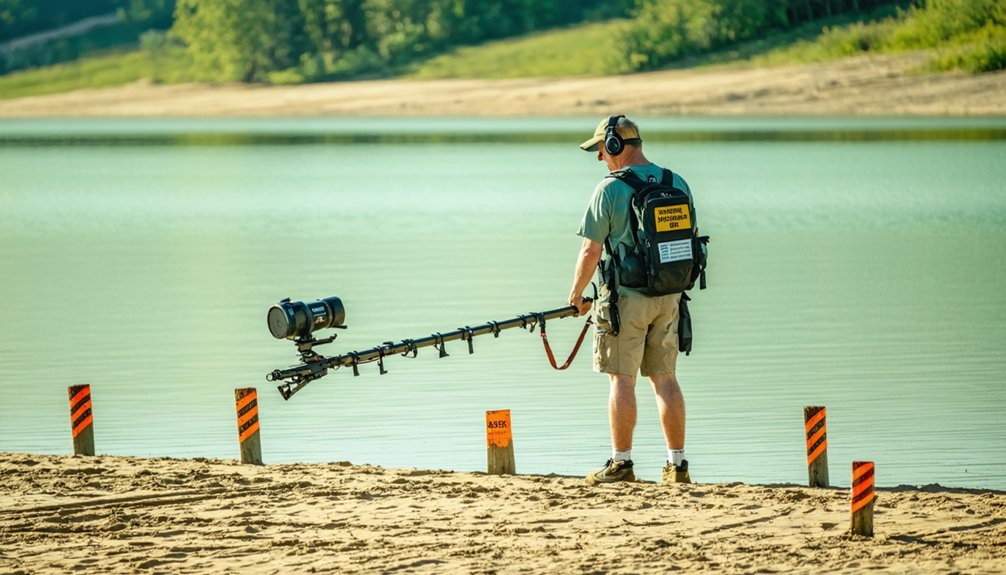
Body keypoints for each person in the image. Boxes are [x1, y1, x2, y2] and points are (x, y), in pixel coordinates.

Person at [568, 115, 694, 485]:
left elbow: (591, 250)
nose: (599, 159)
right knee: (666, 379)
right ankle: (678, 465)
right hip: (670, 296)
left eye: (601, 151)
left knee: (621, 379)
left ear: (614, 146)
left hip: (626, 300)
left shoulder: (608, 189)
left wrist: (576, 296)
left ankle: (621, 464)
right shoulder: (677, 182)